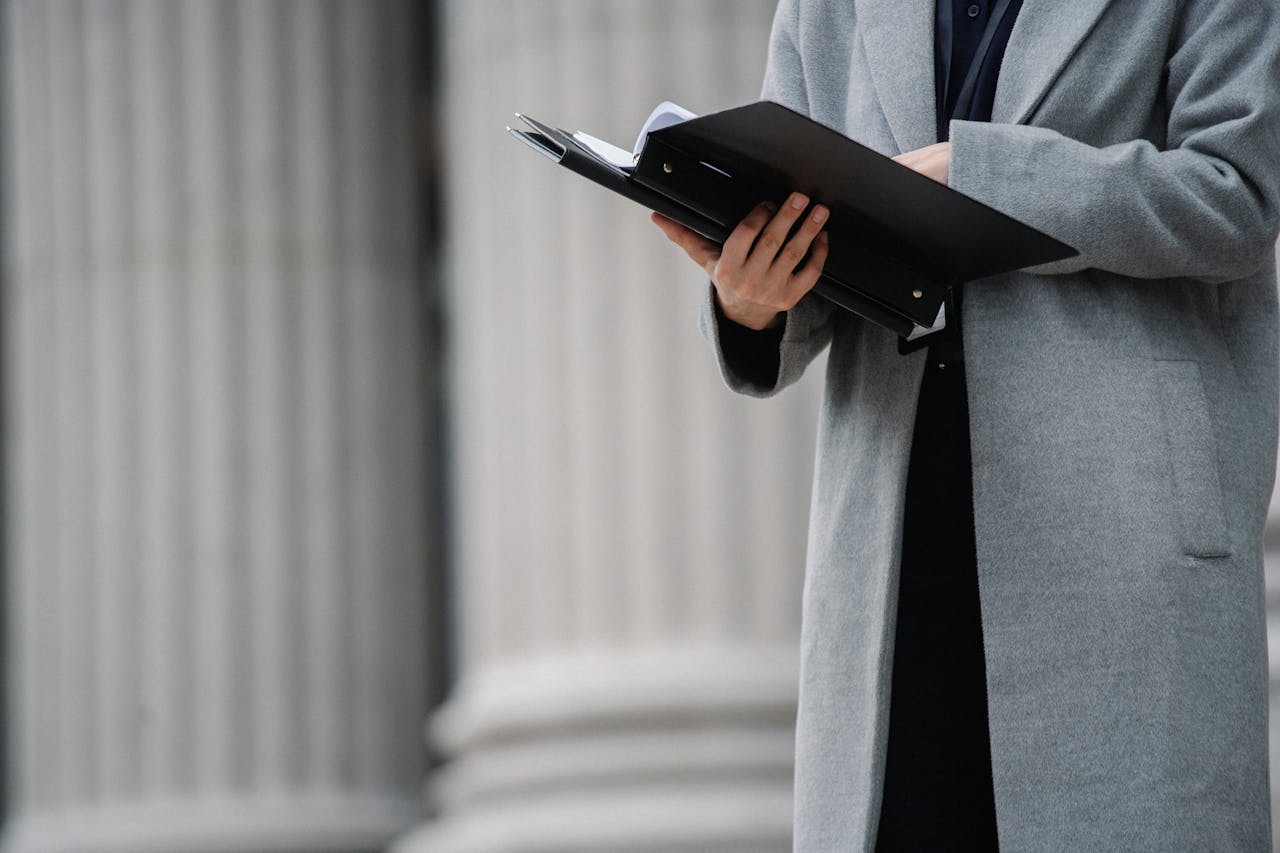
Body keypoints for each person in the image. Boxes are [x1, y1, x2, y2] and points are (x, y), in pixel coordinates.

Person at [652, 0, 1280, 849]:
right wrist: (749, 299)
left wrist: (988, 176)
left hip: (1117, 543)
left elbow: (1235, 193)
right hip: (893, 556)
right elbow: (812, 262)